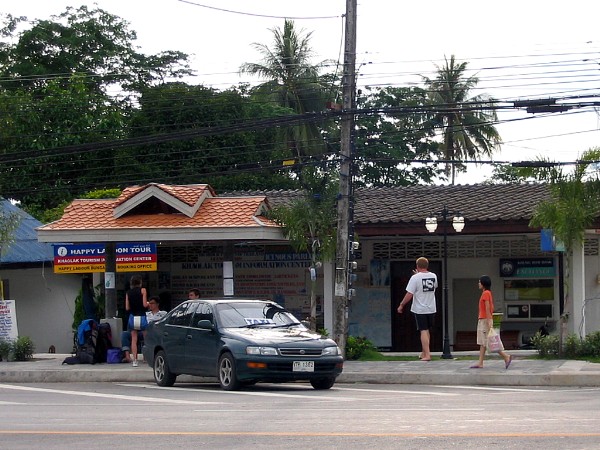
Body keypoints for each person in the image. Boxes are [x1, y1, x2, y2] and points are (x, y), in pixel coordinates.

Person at [397, 257, 438, 361]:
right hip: (431, 307)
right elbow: (433, 287)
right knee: (427, 330)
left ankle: (427, 355)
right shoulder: (433, 276)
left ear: (417, 266)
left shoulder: (415, 278)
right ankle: (424, 353)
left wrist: (402, 304)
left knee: (423, 330)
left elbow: (409, 293)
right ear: (427, 265)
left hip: (420, 308)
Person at [471, 275, 513, 369]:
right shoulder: (487, 293)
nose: (478, 284)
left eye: (479, 282)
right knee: (483, 342)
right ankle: (480, 362)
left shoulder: (486, 293)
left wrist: (489, 321)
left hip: (485, 320)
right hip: (484, 319)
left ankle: (506, 357)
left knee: (489, 342)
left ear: (483, 283)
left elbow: (488, 308)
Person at [121, 296, 165, 364]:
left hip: (156, 332)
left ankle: (146, 357)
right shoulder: (145, 314)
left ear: (157, 304)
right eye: (149, 303)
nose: (150, 305)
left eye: (152, 303)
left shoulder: (163, 314)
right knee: (125, 334)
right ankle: (127, 357)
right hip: (143, 331)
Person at [125, 275, 148, 367]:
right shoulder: (143, 290)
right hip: (142, 316)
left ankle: (135, 360)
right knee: (146, 338)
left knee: (134, 339)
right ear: (140, 282)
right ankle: (146, 358)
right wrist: (148, 303)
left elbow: (127, 307)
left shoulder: (128, 293)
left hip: (133, 317)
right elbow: (144, 304)